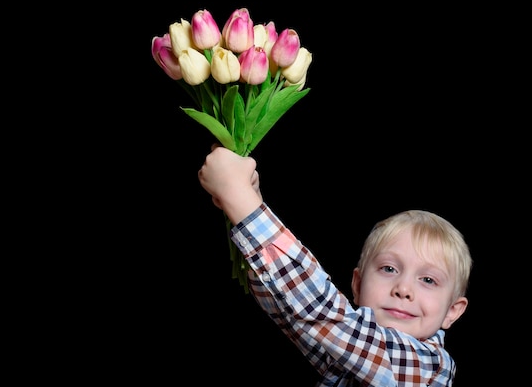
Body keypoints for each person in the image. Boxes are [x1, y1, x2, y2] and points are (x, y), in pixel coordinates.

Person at [198, 145, 473, 386]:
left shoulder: (427, 367)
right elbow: (291, 312)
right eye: (389, 269)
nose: (403, 289)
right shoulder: (346, 351)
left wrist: (241, 199)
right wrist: (245, 201)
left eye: (428, 280)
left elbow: (323, 312)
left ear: (452, 311)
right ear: (356, 284)